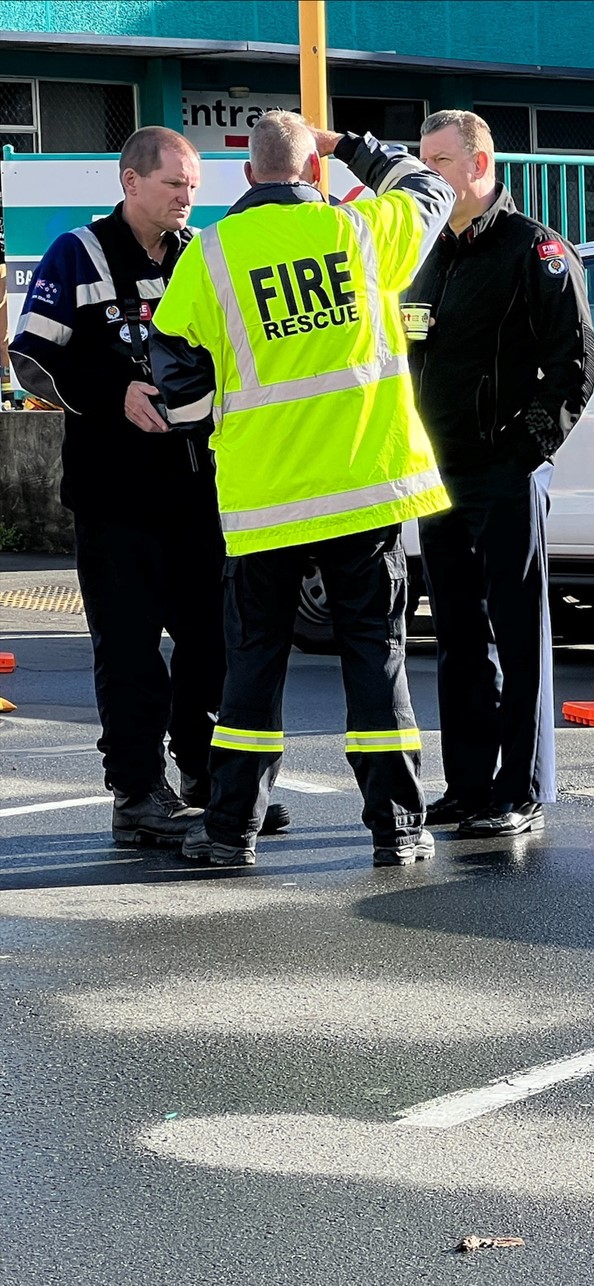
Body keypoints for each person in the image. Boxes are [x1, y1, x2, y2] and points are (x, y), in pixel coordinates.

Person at [148, 111, 454, 867]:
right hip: (364, 488)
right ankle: (397, 831)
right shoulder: (362, 232)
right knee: (376, 660)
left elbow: (177, 382)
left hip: (266, 498)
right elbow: (429, 188)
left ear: (247, 176)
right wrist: (347, 145)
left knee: (253, 663)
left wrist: (208, 421)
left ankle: (230, 834)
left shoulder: (212, 255)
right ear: (312, 172)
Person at [8, 126, 287, 847]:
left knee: (209, 646)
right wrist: (115, 392)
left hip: (198, 491)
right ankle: (136, 795)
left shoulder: (204, 254)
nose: (187, 198)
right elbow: (30, 359)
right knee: (129, 653)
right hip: (113, 498)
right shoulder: (79, 253)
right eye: (174, 185)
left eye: (193, 186)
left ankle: (203, 775)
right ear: (132, 183)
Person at [404, 109, 594, 839]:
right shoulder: (426, 251)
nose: (426, 175)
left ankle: (520, 788)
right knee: (455, 634)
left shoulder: (533, 249)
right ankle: (468, 784)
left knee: (517, 635)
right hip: (437, 472)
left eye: (438, 162)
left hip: (503, 472)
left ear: (478, 165)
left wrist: (526, 453)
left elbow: (574, 365)